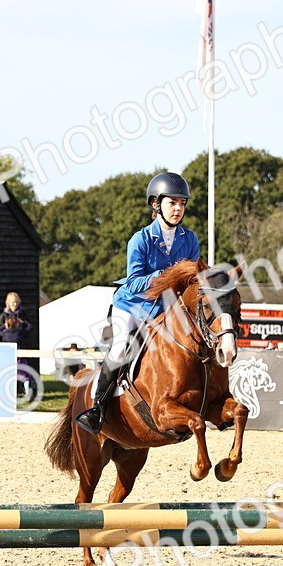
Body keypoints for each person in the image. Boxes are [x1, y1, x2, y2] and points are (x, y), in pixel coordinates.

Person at [76, 171, 200, 433]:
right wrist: (166, 277)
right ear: (157, 204)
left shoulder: (189, 240)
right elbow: (133, 283)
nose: (178, 209)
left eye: (182, 203)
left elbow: (193, 281)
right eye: (172, 203)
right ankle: (97, 408)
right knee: (121, 349)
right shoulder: (140, 239)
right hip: (132, 305)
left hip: (166, 309)